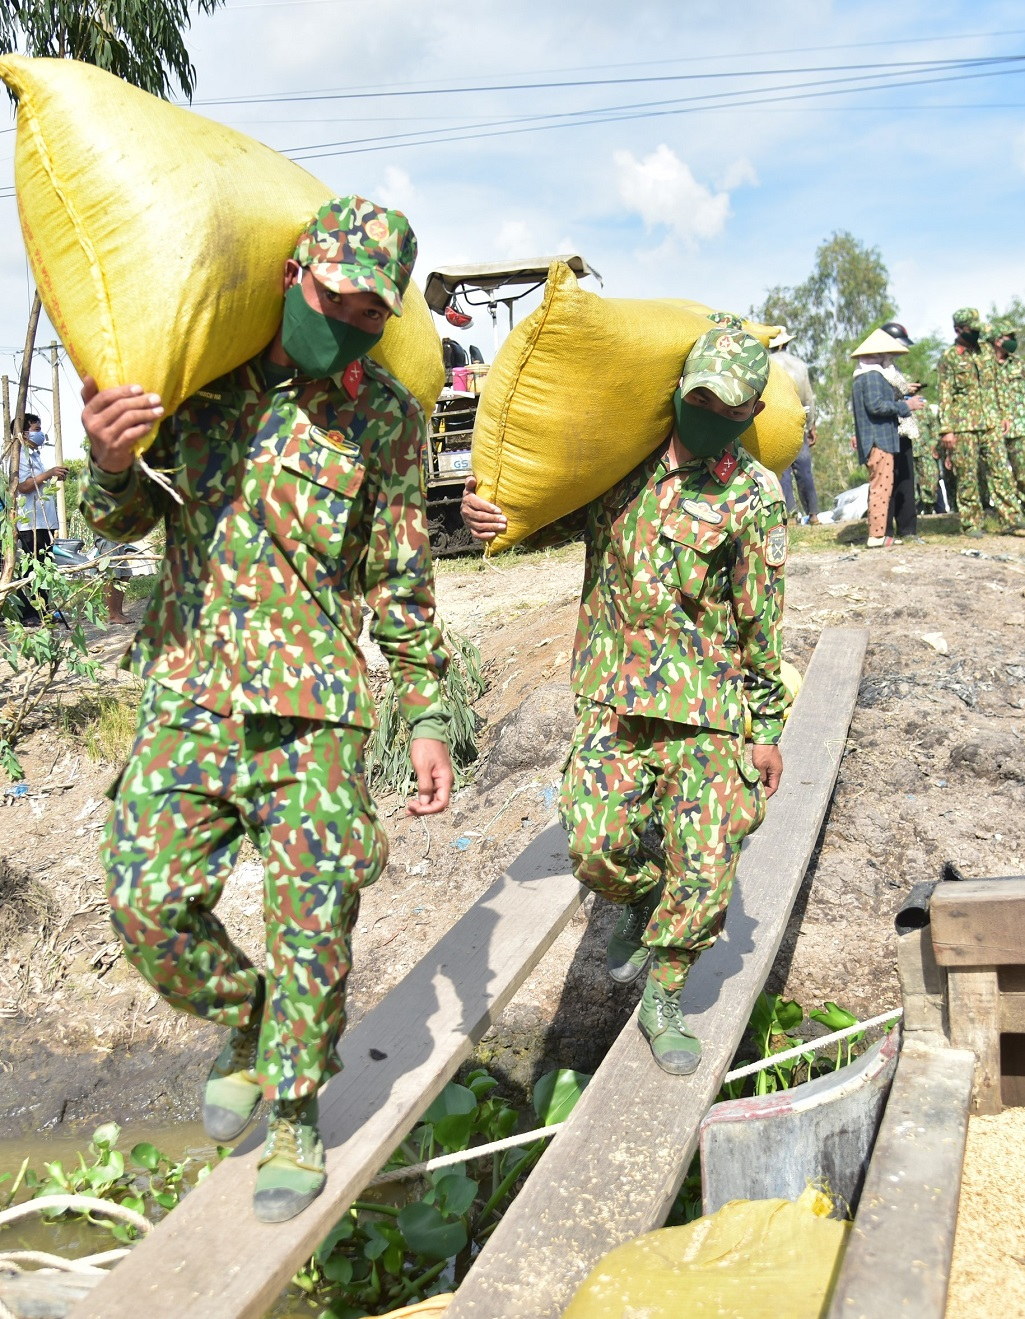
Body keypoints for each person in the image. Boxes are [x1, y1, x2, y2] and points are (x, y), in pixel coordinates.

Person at [82, 197, 452, 1225]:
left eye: (369, 313)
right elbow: (126, 513)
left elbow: (403, 578)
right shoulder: (201, 377)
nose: (346, 322)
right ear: (295, 272)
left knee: (313, 920)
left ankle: (295, 1107)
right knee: (146, 902)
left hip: (318, 711)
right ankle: (249, 1021)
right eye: (333, 296)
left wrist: (424, 711)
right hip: (192, 692)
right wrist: (108, 461)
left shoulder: (385, 415)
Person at [459, 325, 787, 1078]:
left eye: (727, 406)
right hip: (613, 699)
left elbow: (761, 624)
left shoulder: (751, 496)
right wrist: (497, 519)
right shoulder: (620, 466)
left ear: (753, 409)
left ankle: (664, 995)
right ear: (679, 387)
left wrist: (765, 728)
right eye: (698, 397)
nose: (708, 413)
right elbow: (546, 515)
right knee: (596, 846)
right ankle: (641, 901)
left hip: (708, 712)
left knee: (706, 873)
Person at [940, 308, 1024, 536]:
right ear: (958, 330)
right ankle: (971, 523)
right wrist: (946, 430)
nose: (976, 333)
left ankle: (1011, 517)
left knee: (1001, 471)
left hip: (991, 422)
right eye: (971, 329)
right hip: (963, 426)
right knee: (967, 476)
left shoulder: (986, 351)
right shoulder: (950, 357)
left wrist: (1005, 413)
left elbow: (997, 384)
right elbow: (945, 393)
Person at [850, 328, 921, 547]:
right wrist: (905, 405)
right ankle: (877, 536)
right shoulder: (871, 377)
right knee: (881, 487)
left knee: (882, 485)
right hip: (879, 439)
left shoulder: (864, 376)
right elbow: (876, 406)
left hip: (878, 439)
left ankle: (880, 534)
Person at [11, 413, 65, 626]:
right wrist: (49, 473)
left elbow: (37, 483)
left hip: (43, 522)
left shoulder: (34, 455)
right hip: (29, 523)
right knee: (32, 569)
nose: (40, 433)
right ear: (23, 432)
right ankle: (29, 614)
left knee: (45, 567)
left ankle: (45, 610)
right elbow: (22, 486)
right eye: (36, 429)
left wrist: (52, 475)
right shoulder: (18, 457)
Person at [988, 320, 1025, 511]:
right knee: (999, 473)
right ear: (996, 340)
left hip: (1020, 426)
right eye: (1009, 337)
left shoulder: (1018, 364)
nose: (1013, 340)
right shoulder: (985, 365)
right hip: (994, 429)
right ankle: (1008, 511)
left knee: (1024, 470)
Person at [769, 329, 818, 523]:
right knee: (804, 469)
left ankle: (790, 514)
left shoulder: (768, 363)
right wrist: (812, 425)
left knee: (783, 470)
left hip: (775, 423)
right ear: (785, 344)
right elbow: (808, 398)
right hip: (798, 421)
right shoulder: (800, 365)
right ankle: (813, 513)